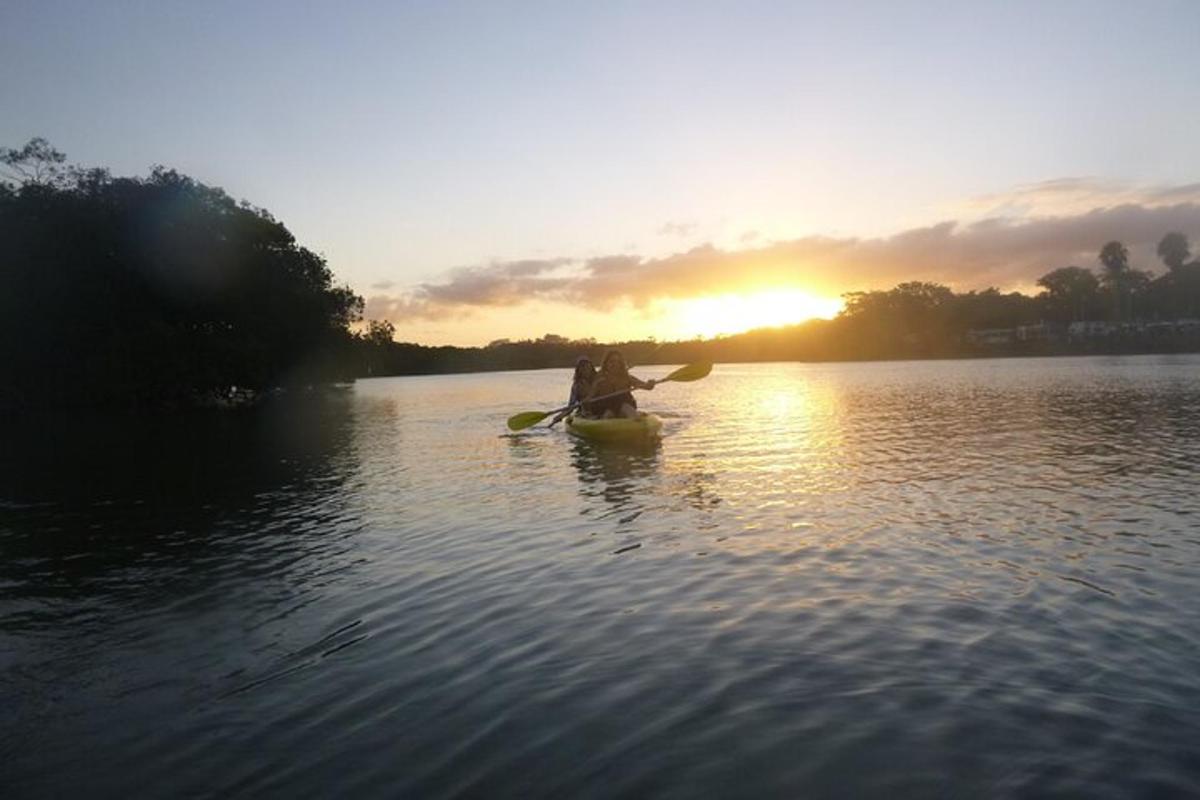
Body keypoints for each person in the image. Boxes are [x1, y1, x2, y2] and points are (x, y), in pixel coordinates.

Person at [587, 350, 655, 418]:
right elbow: (590, 396)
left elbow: (646, 386)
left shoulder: (626, 378)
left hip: (624, 405)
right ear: (606, 363)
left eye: (618, 362)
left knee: (626, 407)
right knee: (608, 414)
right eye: (611, 361)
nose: (615, 364)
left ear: (621, 364)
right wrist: (586, 402)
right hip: (606, 407)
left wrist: (650, 384)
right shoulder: (599, 379)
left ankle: (636, 418)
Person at [551, 356, 597, 425]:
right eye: (582, 367)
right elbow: (571, 406)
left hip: (599, 409)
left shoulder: (599, 380)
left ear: (591, 368)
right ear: (578, 370)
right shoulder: (576, 386)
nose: (585, 369)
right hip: (585, 412)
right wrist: (561, 415)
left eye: (587, 367)